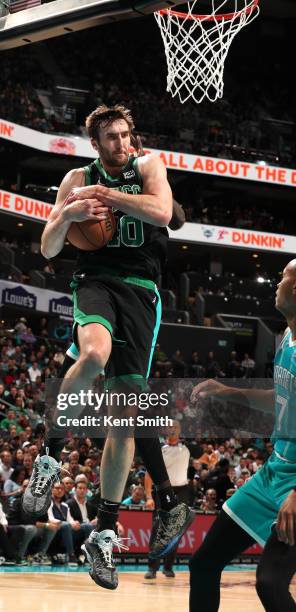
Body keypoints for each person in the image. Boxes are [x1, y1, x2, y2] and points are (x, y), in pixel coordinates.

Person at [23, 105, 192, 589]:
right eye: (110, 138)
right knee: (92, 354)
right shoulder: (77, 177)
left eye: (124, 135)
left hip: (142, 289)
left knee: (124, 419)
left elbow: (162, 211)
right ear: (94, 143)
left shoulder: (148, 166)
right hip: (96, 281)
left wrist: (107, 196)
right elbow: (49, 247)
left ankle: (103, 531)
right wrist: (69, 214)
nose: (120, 143)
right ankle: (50, 456)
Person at [189, 259, 296, 612]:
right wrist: (229, 391)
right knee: (204, 562)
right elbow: (280, 397)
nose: (276, 284)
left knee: (270, 583)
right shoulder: (287, 337)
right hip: (273, 472)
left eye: (283, 277)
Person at [144, 419, 191, 579]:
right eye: (170, 426)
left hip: (182, 490)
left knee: (175, 530)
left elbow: (205, 459)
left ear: (180, 429)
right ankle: (152, 568)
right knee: (158, 528)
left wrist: (211, 459)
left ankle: (168, 567)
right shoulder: (159, 449)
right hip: (162, 491)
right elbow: (149, 473)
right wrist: (148, 496)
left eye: (175, 427)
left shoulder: (186, 448)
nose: (172, 429)